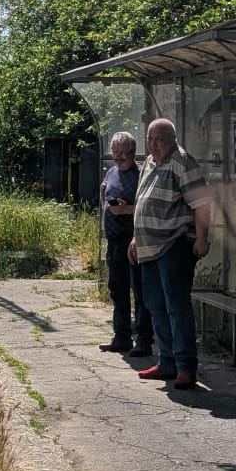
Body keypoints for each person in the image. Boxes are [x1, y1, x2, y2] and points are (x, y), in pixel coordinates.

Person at [129, 116, 211, 390]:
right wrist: (135, 238)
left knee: (176, 306)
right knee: (155, 305)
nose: (154, 145)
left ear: (172, 140)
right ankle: (167, 362)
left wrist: (202, 238)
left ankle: (185, 366)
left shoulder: (183, 162)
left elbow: (201, 204)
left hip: (174, 244)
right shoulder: (149, 163)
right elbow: (141, 201)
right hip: (148, 247)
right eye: (150, 140)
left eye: (160, 140)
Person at [98, 131, 154, 356]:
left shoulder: (141, 175)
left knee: (140, 292)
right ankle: (121, 337)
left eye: (123, 153)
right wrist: (108, 205)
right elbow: (104, 190)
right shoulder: (111, 172)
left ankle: (144, 340)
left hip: (134, 241)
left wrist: (127, 209)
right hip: (114, 241)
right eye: (115, 152)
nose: (119, 157)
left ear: (133, 152)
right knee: (117, 290)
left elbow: (147, 206)